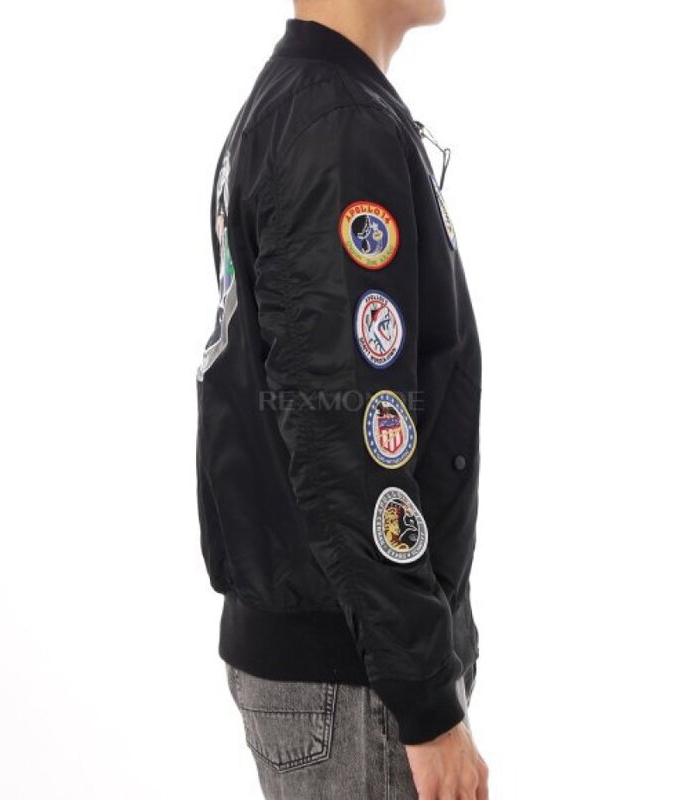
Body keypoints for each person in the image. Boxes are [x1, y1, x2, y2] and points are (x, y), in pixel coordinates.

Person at [196, 2, 488, 797]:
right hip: (356, 676)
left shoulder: (307, 105)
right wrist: (426, 702)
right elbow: (350, 445)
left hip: (344, 655)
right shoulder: (335, 129)